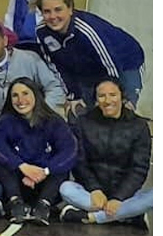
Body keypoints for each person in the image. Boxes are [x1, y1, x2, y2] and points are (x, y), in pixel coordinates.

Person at [32, 0, 146, 110]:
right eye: (47, 11)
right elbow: (58, 67)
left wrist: (112, 95)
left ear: (70, 9)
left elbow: (111, 65)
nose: (53, 16)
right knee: (85, 114)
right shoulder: (42, 32)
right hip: (88, 69)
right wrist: (74, 95)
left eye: (58, 10)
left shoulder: (86, 30)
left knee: (119, 110)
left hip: (125, 63)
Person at [60, 77, 152, 226]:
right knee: (65, 188)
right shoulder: (83, 122)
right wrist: (94, 189)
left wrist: (118, 198)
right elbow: (80, 163)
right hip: (93, 195)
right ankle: (129, 215)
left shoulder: (139, 126)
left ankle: (94, 217)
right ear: (96, 100)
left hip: (126, 195)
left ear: (122, 97)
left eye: (113, 95)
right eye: (101, 96)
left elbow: (139, 168)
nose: (107, 100)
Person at [0, 77, 79, 225]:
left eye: (25, 93)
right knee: (3, 163)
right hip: (17, 181)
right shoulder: (5, 122)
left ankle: (44, 206)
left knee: (61, 168)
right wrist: (22, 166)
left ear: (36, 95)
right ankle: (15, 204)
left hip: (45, 181)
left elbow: (69, 151)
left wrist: (45, 171)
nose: (20, 100)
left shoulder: (54, 122)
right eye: (15, 95)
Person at [0, 20, 67, 124]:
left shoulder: (29, 59)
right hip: (0, 123)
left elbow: (54, 87)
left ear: (5, 41)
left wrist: (40, 112)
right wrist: (10, 119)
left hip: (38, 118)